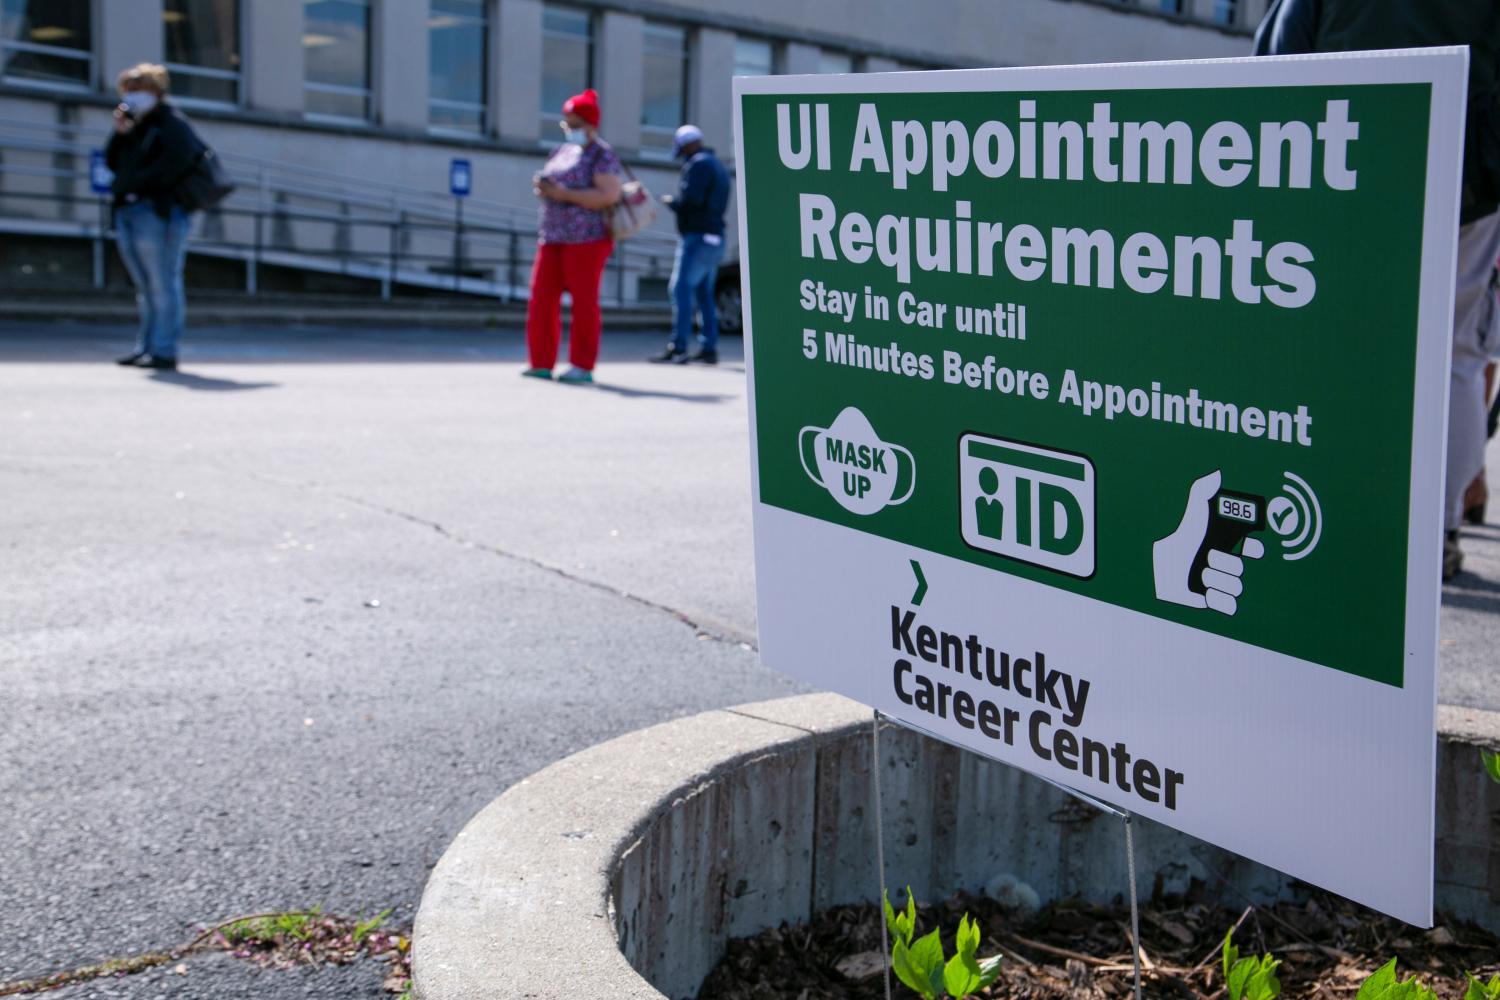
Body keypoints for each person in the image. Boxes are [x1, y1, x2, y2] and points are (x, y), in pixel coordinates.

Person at [1255, 1, 1500, 580]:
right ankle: (1433, 533)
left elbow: (1279, 54)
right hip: (1462, 167)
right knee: (1454, 359)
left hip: (1342, 159)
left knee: (1328, 345)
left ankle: (1335, 514)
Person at [522, 88, 623, 385]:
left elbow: (609, 195)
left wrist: (564, 193)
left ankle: (582, 364)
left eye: (575, 124)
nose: (570, 130)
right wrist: (545, 188)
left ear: (591, 124)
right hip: (553, 237)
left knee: (584, 303)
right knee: (541, 300)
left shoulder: (602, 155)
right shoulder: (563, 151)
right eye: (567, 124)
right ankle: (540, 362)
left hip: (587, 240)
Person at [106, 63, 201, 371]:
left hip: (157, 213)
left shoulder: (171, 123)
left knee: (163, 284)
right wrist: (121, 134)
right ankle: (146, 347)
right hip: (129, 210)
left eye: (138, 90)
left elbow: (180, 161)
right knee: (145, 287)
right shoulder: (136, 126)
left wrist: (140, 185)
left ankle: (164, 350)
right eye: (128, 91)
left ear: (156, 92)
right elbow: (113, 162)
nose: (131, 97)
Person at [650, 124, 731, 365]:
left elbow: (691, 200)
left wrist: (671, 202)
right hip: (715, 237)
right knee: (704, 293)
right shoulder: (719, 165)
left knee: (681, 290)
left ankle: (679, 347)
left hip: (697, 238)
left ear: (688, 145)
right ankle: (708, 347)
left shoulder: (698, 164)